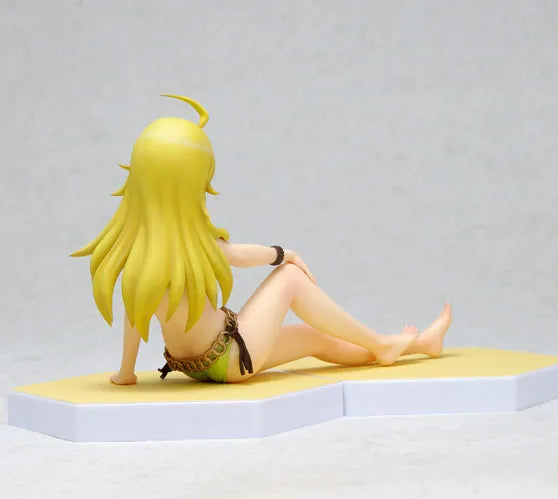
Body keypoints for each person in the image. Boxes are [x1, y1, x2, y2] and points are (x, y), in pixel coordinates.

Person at [71, 95, 452, 385]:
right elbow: (238, 255)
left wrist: (126, 372)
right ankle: (382, 344)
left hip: (195, 365)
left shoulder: (140, 256)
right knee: (290, 279)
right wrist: (284, 254)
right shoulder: (195, 245)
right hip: (231, 354)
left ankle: (418, 345)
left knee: (315, 339)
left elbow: (134, 319)